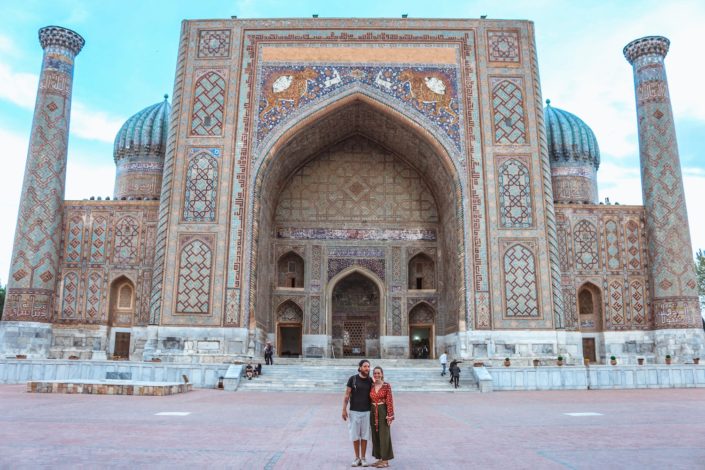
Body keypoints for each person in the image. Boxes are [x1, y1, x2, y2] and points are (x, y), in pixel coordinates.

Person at [342, 359, 373, 467]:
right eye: (365, 366)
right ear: (360, 367)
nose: (367, 368)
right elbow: (347, 395)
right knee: (355, 436)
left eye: (368, 366)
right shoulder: (353, 379)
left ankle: (363, 458)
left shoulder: (370, 380)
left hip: (367, 412)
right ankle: (356, 458)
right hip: (354, 412)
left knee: (365, 436)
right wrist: (343, 409)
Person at [369, 366, 394, 468]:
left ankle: (385, 460)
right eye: (375, 373)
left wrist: (390, 416)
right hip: (373, 411)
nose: (376, 375)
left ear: (382, 374)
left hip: (383, 411)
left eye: (378, 373)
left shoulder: (386, 386)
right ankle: (380, 459)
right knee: (375, 435)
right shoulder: (371, 385)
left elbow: (389, 401)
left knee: (384, 435)